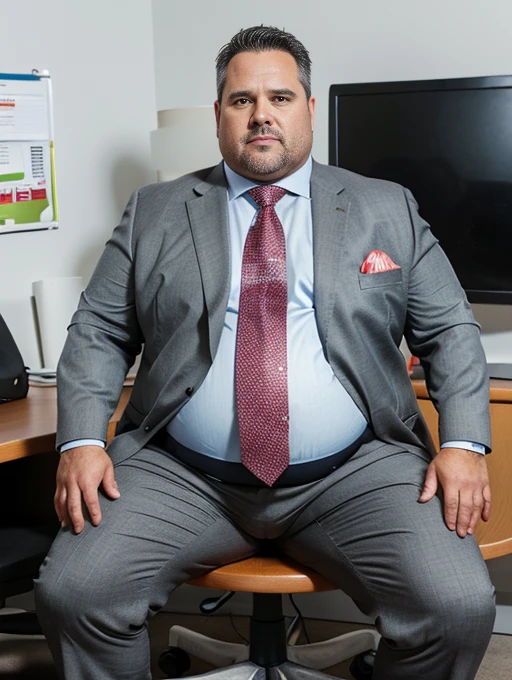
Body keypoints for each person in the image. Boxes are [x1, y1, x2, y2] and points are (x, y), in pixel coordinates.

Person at [35, 26, 495, 680]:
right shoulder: (156, 212)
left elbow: (450, 328)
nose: (261, 115)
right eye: (241, 99)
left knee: (458, 606)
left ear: (309, 108)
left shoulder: (384, 208)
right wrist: (79, 441)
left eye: (280, 96)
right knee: (75, 594)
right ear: (219, 115)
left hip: (354, 470)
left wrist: (463, 444)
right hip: (184, 473)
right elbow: (98, 332)